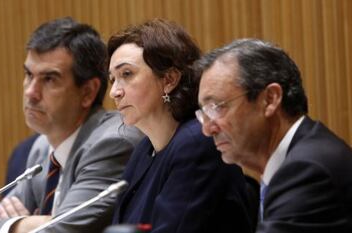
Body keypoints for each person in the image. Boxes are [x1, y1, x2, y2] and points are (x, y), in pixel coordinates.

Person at [0, 17, 143, 233]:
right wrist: (33, 223)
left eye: (49, 79)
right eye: (28, 75)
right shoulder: (42, 148)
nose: (30, 93)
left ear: (88, 92)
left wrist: (25, 225)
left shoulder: (114, 141)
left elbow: (63, 231)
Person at [195, 38, 352, 233]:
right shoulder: (295, 162)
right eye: (204, 113)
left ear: (270, 99)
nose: (207, 129)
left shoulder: (308, 170)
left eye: (217, 108)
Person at [107, 19, 252, 233]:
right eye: (112, 80)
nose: (115, 92)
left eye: (126, 74)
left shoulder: (198, 143)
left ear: (169, 79)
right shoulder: (143, 151)